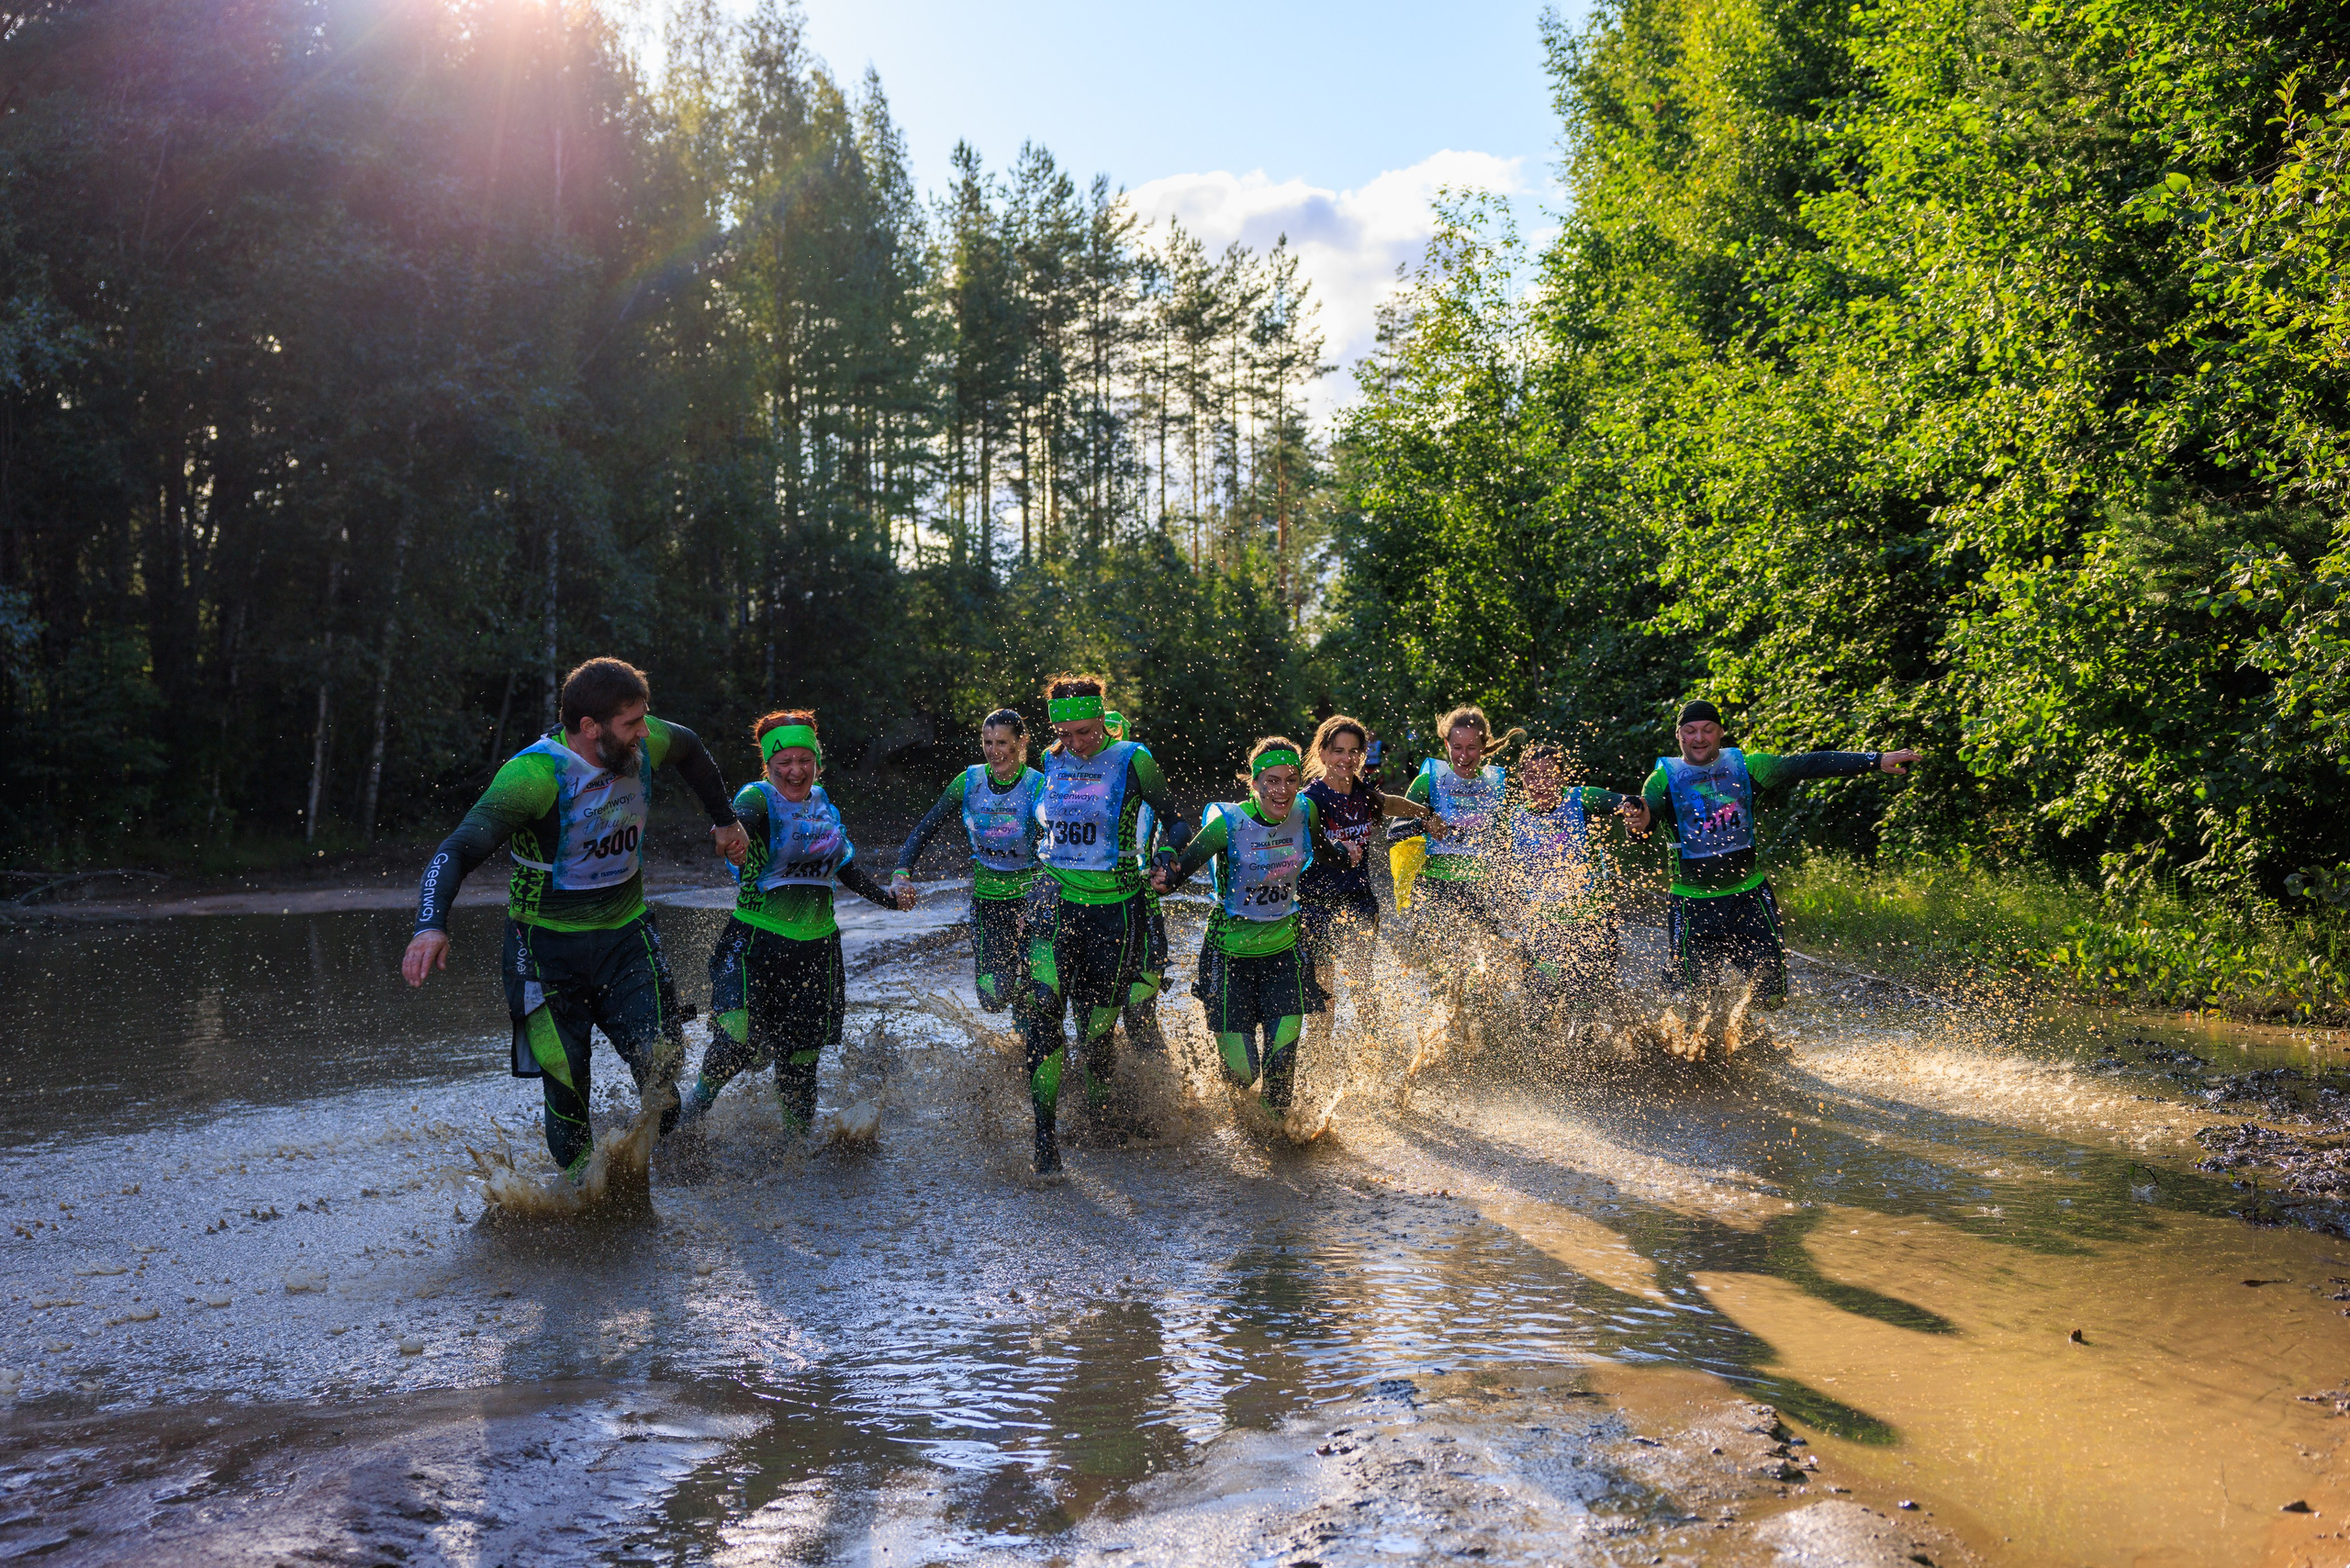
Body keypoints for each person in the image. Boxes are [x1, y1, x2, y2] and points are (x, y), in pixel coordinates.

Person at [401, 657, 748, 1182]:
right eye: (631, 724)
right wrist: (430, 925)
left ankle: (667, 1173)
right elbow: (455, 850)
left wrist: (725, 820)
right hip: (542, 955)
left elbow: (693, 747)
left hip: (627, 939)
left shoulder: (644, 744)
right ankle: (587, 1196)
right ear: (590, 728)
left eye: (643, 719)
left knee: (661, 1065)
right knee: (566, 1084)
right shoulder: (535, 777)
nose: (643, 733)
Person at [677, 710, 913, 1133]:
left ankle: (796, 1152)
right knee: (736, 1039)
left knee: (802, 1057)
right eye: (784, 762)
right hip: (754, 943)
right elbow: (736, 821)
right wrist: (732, 836)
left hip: (817, 949)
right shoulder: (757, 797)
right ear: (768, 764)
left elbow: (844, 867)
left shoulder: (822, 804)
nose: (795, 770)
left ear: (817, 761)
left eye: (805, 759)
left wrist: (888, 900)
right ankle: (689, 1117)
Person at [1627, 700, 1920, 1006]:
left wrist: (1875, 760)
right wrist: (1638, 821)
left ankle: (1746, 1036)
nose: (1699, 738)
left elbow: (1808, 764)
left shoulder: (1750, 767)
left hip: (1749, 898)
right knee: (1696, 1002)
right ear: (1679, 736)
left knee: (1771, 997)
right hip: (1692, 905)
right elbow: (1645, 824)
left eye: (1707, 730)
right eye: (1690, 731)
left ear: (1721, 732)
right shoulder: (1662, 779)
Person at [1022, 674, 1187, 1175]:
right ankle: (1044, 1139)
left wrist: (1169, 856)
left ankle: (1099, 1117)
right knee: (1044, 1013)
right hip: (1052, 900)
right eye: (1063, 732)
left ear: (1103, 720)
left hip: (1117, 911)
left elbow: (1176, 820)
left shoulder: (1134, 758)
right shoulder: (1051, 759)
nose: (1072, 743)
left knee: (1096, 1032)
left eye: (1084, 732)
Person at [1156, 736, 1348, 1117]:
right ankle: (1238, 1128)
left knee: (1281, 1071)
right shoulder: (1227, 825)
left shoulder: (1305, 811)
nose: (1282, 791)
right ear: (1255, 783)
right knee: (1243, 1073)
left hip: (1284, 952)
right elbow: (1184, 867)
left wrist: (1346, 855)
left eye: (1291, 780)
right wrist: (1165, 876)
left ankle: (1277, 1151)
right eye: (1272, 781)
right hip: (1229, 958)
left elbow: (1324, 850)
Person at [892, 708, 1046, 1027]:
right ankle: (1020, 993)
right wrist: (902, 871)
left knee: (1038, 999)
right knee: (992, 999)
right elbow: (925, 828)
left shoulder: (1037, 786)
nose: (994, 751)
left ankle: (1027, 1044)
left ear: (1021, 742)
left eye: (1002, 743)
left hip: (1031, 902)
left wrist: (1040, 899)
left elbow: (1055, 847)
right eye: (987, 742)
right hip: (987, 902)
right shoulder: (969, 781)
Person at [1297, 715, 1435, 1066]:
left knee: (1362, 985)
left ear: (1362, 755)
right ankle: (1320, 1065)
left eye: (1354, 752)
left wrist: (1425, 813)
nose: (1347, 758)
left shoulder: (1363, 795)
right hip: (1316, 906)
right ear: (1323, 753)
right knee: (1324, 997)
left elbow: (1390, 803)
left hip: (1359, 902)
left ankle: (1374, 1067)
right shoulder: (1310, 800)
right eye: (1338, 751)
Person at [1505, 741, 1641, 1017]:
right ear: (1521, 778)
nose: (1540, 782)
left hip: (1591, 926)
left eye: (1549, 774)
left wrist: (1631, 807)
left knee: (1583, 1012)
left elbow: (1621, 802)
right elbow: (1509, 874)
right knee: (1538, 1009)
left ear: (1562, 776)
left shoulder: (1581, 799)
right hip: (1543, 929)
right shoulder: (1515, 819)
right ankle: (1538, 1058)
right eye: (1531, 775)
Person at [1104, 709, 1181, 1055]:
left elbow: (1172, 823)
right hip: (1091, 904)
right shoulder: (1072, 781)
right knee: (1095, 1012)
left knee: (1139, 1014)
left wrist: (1164, 855)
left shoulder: (1139, 767)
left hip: (1142, 904)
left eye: (1114, 733)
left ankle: (1163, 1093)